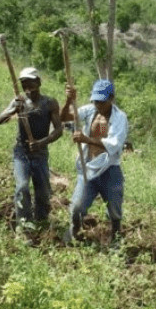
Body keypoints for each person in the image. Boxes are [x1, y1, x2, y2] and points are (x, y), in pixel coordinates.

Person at [61, 79, 128, 245]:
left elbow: (113, 145)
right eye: (95, 101)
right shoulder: (91, 110)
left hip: (109, 169)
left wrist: (86, 139)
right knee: (77, 207)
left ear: (111, 98)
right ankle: (74, 231)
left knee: (114, 210)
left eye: (102, 101)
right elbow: (65, 117)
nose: (98, 105)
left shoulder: (120, 118)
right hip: (89, 168)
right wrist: (69, 99)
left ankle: (115, 238)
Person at [0, 67, 63, 231]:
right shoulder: (18, 101)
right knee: (22, 187)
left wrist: (42, 142)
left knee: (42, 191)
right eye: (24, 82)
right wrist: (13, 110)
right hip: (22, 152)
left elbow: (59, 130)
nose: (27, 85)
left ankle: (41, 221)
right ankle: (24, 225)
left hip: (40, 153)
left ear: (39, 82)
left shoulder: (50, 103)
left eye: (30, 81)